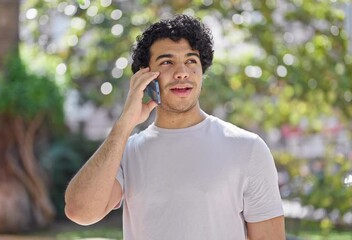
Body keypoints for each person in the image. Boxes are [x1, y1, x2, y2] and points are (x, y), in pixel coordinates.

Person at [64, 14, 285, 240]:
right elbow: (80, 211)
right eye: (167, 62)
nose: (182, 72)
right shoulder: (127, 152)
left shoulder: (247, 148)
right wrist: (124, 125)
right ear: (146, 76)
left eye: (191, 61)